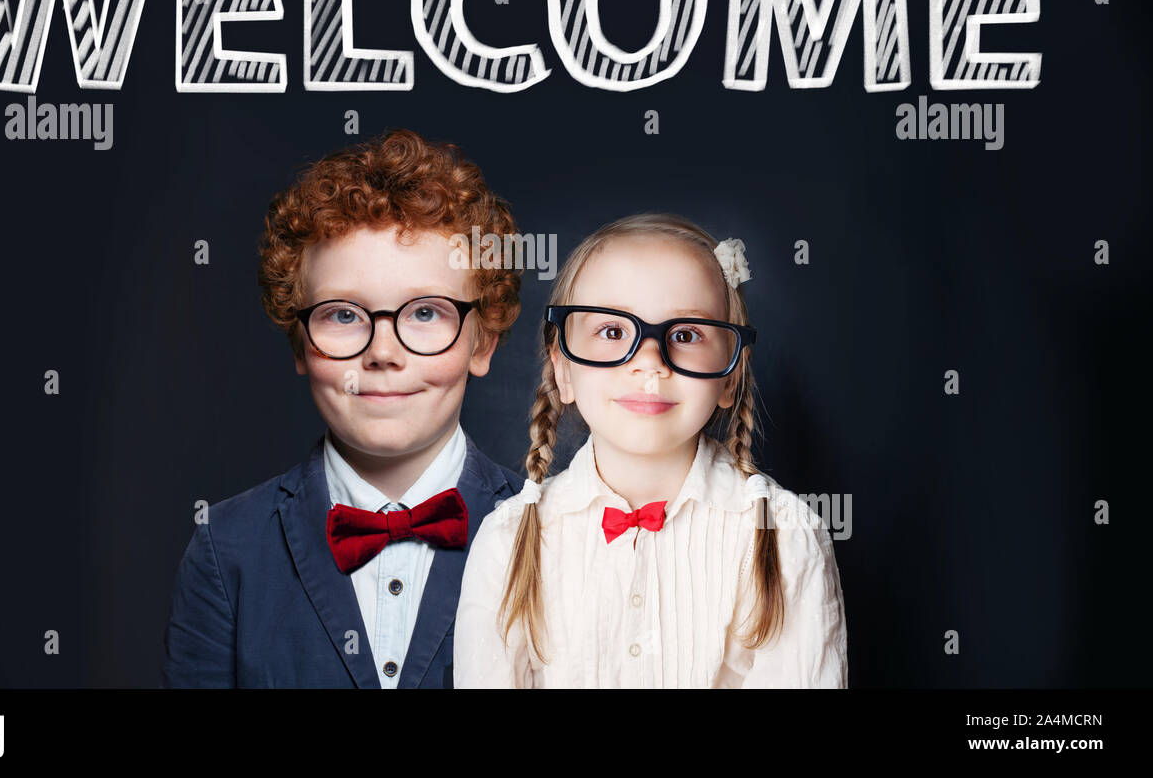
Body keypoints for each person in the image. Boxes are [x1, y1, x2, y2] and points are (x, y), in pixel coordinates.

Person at [162, 128, 525, 687]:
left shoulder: (550, 533)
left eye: (425, 313)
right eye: (343, 314)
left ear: (482, 342)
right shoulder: (226, 548)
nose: (383, 353)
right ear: (300, 343)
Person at [453, 213, 848, 687]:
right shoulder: (507, 542)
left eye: (684, 335)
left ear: (730, 375)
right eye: (613, 332)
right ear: (563, 370)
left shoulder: (784, 536)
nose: (650, 363)